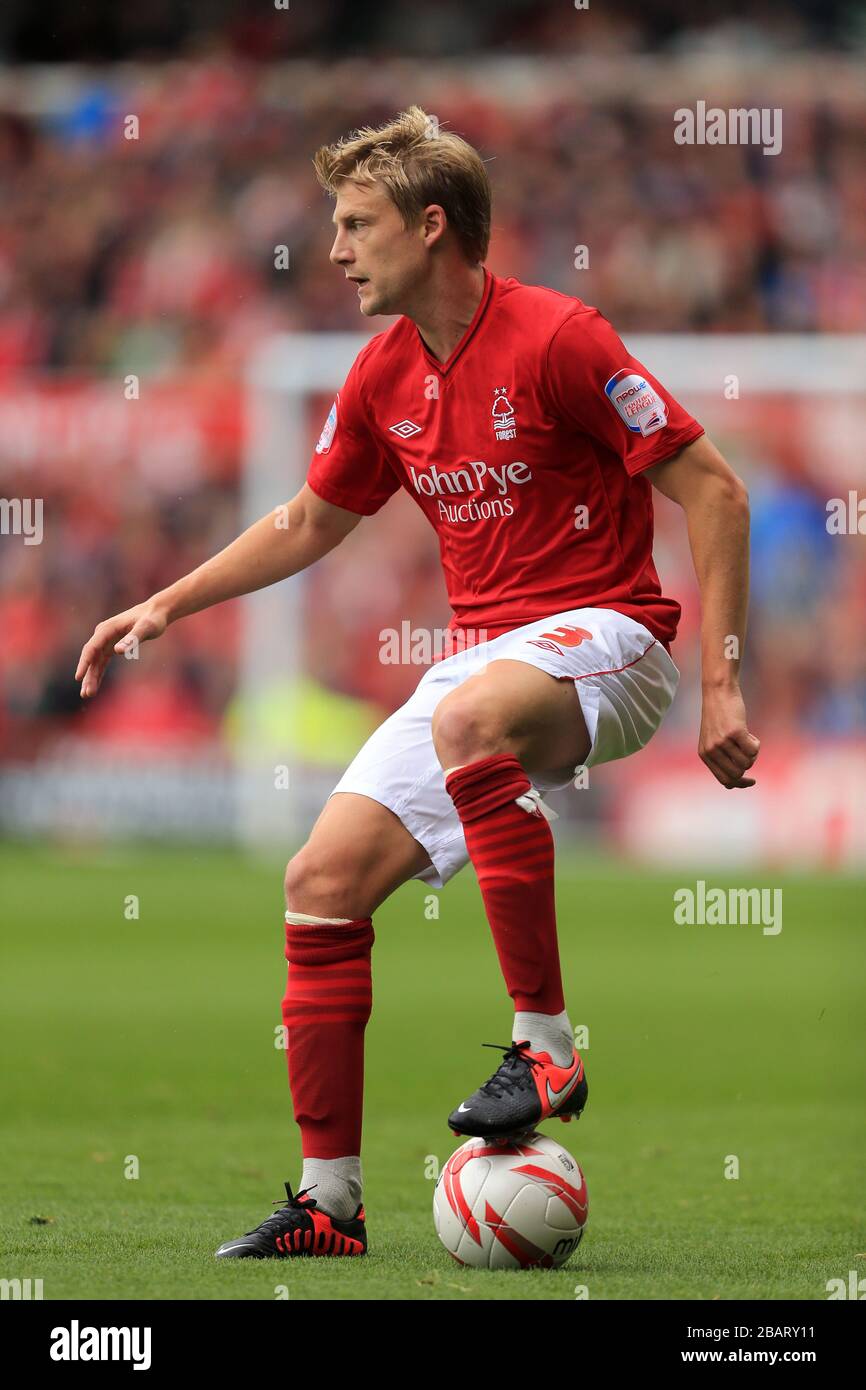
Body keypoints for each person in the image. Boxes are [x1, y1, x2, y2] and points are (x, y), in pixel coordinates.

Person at [76, 106, 759, 1260]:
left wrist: (723, 685)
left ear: (429, 226)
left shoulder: (560, 337)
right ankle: (328, 1203)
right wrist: (167, 603)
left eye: (355, 224)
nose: (334, 250)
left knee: (469, 711)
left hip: (611, 640)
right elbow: (305, 521)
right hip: (484, 662)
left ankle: (543, 1043)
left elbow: (715, 491)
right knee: (320, 877)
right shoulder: (382, 370)